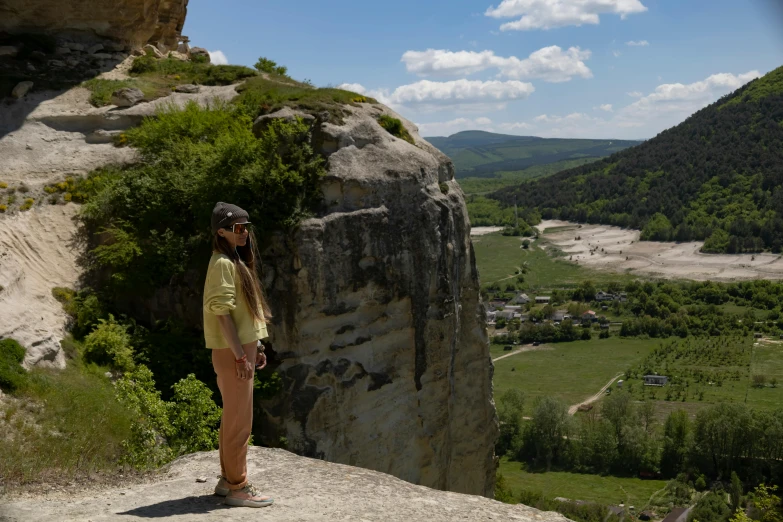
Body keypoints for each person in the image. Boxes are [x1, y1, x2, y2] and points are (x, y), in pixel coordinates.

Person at [203, 202, 274, 508]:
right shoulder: (222, 262)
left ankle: (226, 481)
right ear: (221, 232)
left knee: (233, 417)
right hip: (232, 354)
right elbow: (221, 313)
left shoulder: (234, 260)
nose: (244, 233)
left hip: (239, 350)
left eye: (246, 227)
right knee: (240, 422)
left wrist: (255, 347)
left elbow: (242, 313)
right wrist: (240, 357)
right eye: (237, 228)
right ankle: (238, 487)